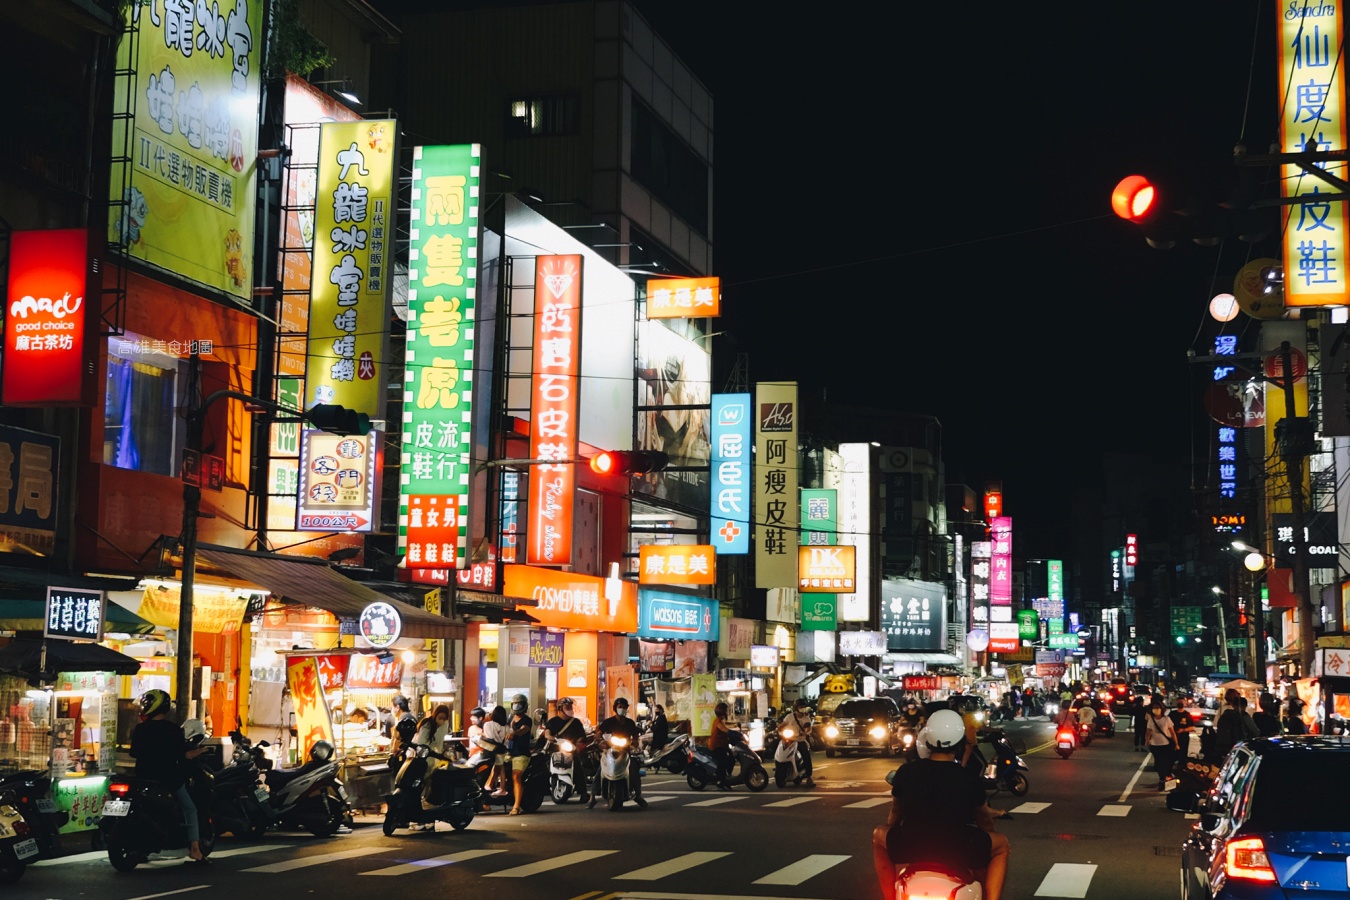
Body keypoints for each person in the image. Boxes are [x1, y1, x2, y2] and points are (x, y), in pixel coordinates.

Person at [872, 709, 1009, 900]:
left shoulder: (907, 771)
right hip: (959, 847)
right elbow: (984, 821)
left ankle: (888, 896)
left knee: (878, 835)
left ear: (927, 739)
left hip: (911, 844)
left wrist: (894, 829)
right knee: (1001, 845)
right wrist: (987, 833)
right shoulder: (968, 777)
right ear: (960, 741)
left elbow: (894, 814)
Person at [130, 689, 207, 862]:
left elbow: (134, 753)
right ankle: (195, 849)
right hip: (168, 779)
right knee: (190, 808)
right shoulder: (173, 730)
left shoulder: (141, 729)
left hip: (143, 777)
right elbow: (184, 755)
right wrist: (199, 751)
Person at [588, 697, 647, 809]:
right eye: (620, 707)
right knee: (601, 769)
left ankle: (638, 795)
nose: (622, 709)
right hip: (610, 751)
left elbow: (634, 737)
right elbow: (599, 733)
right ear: (615, 708)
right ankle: (592, 797)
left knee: (633, 769)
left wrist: (634, 744)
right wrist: (599, 740)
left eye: (624, 707)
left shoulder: (630, 723)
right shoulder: (608, 722)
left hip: (625, 751)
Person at [543, 697, 590, 804]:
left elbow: (581, 736)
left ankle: (583, 792)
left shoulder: (576, 722)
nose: (569, 708)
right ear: (560, 708)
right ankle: (543, 788)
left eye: (570, 706)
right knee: (543, 763)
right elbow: (547, 732)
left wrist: (578, 744)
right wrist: (550, 737)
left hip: (570, 750)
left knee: (578, 766)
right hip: (556, 749)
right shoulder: (553, 721)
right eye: (567, 707)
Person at [506, 695, 534, 815]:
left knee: (516, 776)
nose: (516, 707)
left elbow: (524, 729)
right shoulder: (510, 719)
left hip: (521, 754)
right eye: (515, 704)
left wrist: (515, 733)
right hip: (508, 752)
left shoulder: (527, 720)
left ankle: (516, 806)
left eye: (519, 704)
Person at [1144, 698, 1179, 791]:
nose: (1156, 709)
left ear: (1162, 708)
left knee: (1165, 762)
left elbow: (1172, 732)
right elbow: (1148, 731)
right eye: (1154, 707)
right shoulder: (1151, 720)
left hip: (1165, 744)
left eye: (1158, 707)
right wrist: (1147, 740)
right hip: (1155, 745)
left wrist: (1176, 743)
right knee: (1158, 763)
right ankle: (1162, 778)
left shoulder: (1166, 719)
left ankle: (1165, 778)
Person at [1213, 689, 1258, 760]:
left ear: (1233, 705)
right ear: (1245, 706)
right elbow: (1255, 732)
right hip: (1240, 748)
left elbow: (1215, 724)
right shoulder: (1244, 716)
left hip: (1222, 747)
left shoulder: (1225, 713)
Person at [779, 698, 814, 784]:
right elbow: (782, 726)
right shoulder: (789, 717)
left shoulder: (806, 719)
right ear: (796, 707)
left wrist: (805, 732)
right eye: (801, 706)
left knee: (806, 756)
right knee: (780, 752)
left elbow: (808, 729)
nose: (802, 708)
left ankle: (809, 777)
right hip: (790, 740)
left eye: (804, 706)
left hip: (800, 741)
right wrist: (779, 730)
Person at [482, 705, 510, 797]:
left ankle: (496, 787)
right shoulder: (507, 727)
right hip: (504, 751)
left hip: (492, 751)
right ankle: (500, 787)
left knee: (498, 766)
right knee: (501, 767)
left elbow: (489, 738)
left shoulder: (488, 725)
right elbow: (508, 741)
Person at [708, 700, 734, 788]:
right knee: (723, 761)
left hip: (723, 744)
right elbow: (724, 729)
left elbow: (727, 726)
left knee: (732, 758)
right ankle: (720, 780)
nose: (727, 712)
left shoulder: (721, 720)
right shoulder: (718, 721)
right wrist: (731, 732)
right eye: (725, 710)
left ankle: (726, 777)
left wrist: (735, 726)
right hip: (717, 746)